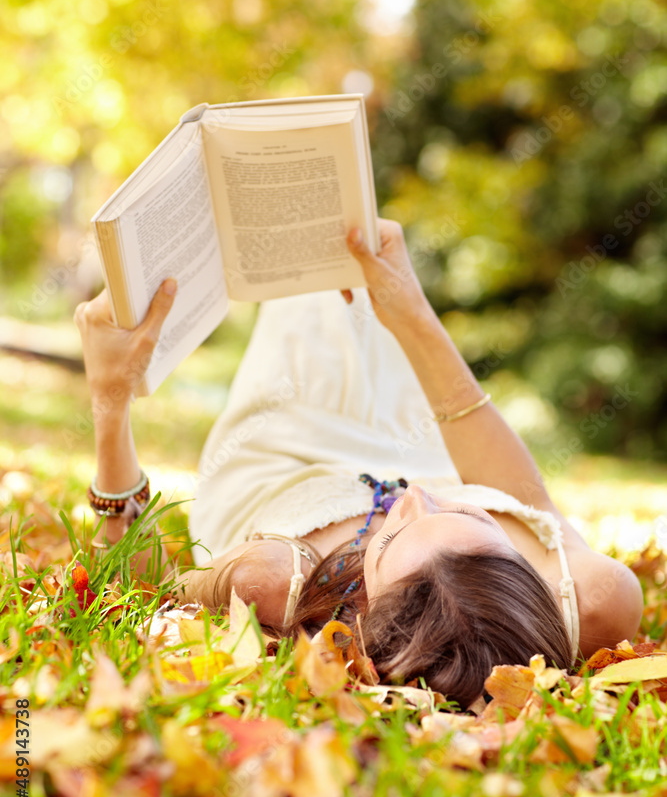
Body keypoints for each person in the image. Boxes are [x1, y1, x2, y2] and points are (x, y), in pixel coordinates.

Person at [75, 220, 643, 709]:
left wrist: (109, 397)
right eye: (479, 518)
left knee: (309, 281)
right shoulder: (593, 599)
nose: (415, 496)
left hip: (288, 459)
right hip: (420, 439)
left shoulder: (273, 580)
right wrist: (411, 312)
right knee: (365, 261)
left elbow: (135, 585)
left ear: (367, 613)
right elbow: (525, 493)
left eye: (397, 538)